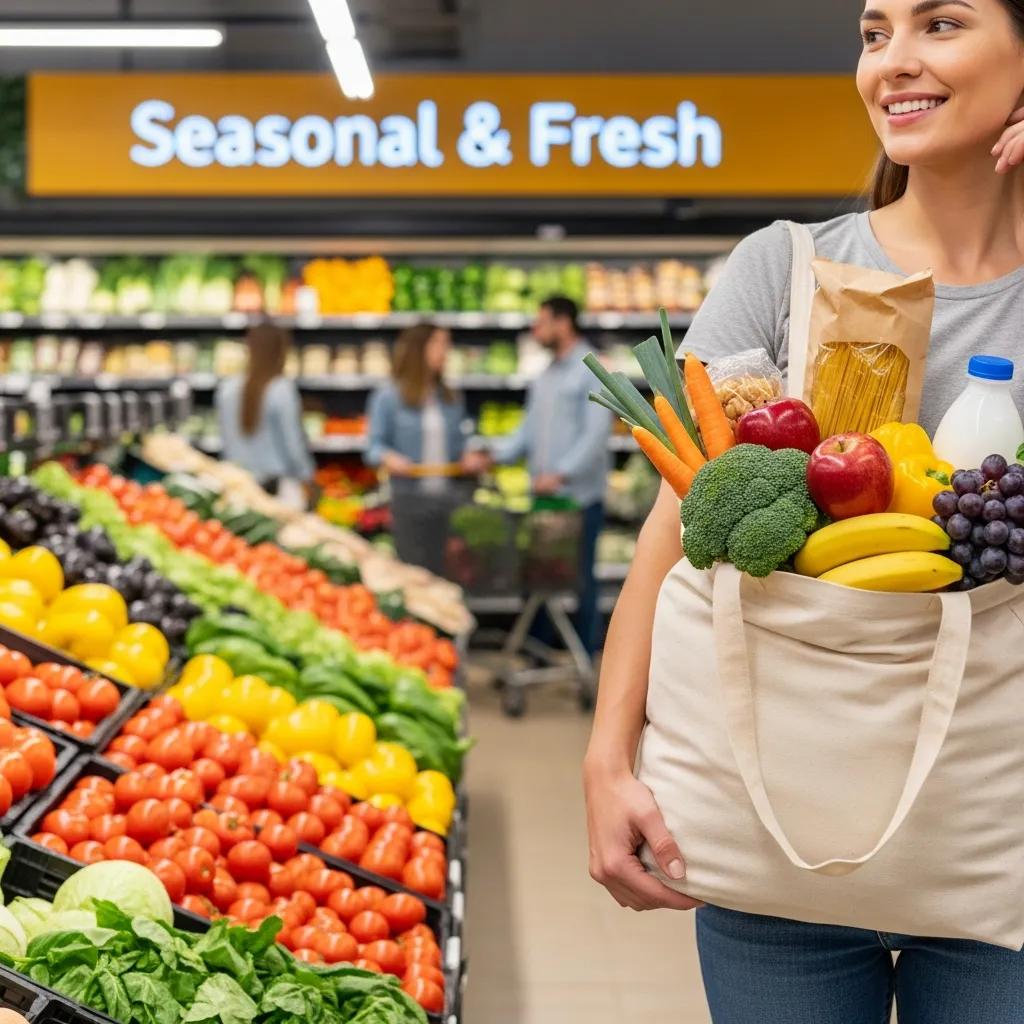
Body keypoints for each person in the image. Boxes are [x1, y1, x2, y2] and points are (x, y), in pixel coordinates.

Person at [584, 1, 1024, 1021]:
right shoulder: (778, 269)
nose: (893, 63)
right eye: (874, 34)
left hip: (1000, 840)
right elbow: (670, 534)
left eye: (940, 24)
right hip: (774, 829)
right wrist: (607, 761)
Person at [492, 296, 611, 655]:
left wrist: (561, 474)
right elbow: (527, 433)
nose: (536, 329)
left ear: (563, 323)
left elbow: (596, 435)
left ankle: (587, 658)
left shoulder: (590, 369)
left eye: (541, 321)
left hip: (578, 499)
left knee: (580, 581)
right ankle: (538, 652)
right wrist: (491, 455)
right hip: (543, 501)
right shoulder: (545, 376)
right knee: (537, 579)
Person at [366, 322, 482, 572]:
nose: (445, 351)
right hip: (409, 500)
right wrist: (391, 459)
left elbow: (461, 442)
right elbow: (373, 448)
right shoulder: (388, 397)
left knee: (449, 572)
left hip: (449, 500)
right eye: (438, 343)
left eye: (447, 344)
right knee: (414, 574)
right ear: (418, 348)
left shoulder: (451, 397)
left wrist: (468, 457)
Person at [215, 321, 314, 497]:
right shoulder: (281, 389)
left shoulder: (227, 388)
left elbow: (225, 440)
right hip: (276, 489)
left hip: (237, 486)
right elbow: (293, 444)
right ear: (281, 351)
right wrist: (306, 477)